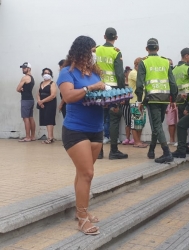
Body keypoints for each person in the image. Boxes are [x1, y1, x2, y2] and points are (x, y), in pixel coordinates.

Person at [57, 35, 105, 235]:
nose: (94, 55)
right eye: (92, 51)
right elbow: (68, 96)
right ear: (82, 51)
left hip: (97, 128)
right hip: (76, 129)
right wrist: (90, 88)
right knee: (87, 173)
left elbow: (99, 96)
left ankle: (80, 211)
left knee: (83, 173)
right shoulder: (67, 73)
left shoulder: (95, 73)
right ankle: (83, 219)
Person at [136, 38, 177, 163]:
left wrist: (139, 101)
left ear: (147, 49)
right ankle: (152, 150)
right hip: (164, 98)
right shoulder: (166, 62)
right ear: (158, 48)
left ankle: (166, 152)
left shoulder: (144, 63)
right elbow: (173, 83)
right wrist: (173, 99)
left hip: (152, 99)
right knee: (157, 125)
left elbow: (139, 85)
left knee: (157, 125)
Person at [96, 27, 128, 160]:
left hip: (98, 88)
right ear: (116, 38)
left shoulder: (96, 50)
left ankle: (98, 151)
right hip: (113, 89)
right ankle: (113, 151)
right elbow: (120, 74)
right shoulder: (116, 52)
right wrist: (121, 92)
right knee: (114, 118)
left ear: (104, 37)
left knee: (99, 119)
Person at [128, 57, 148, 148]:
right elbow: (142, 81)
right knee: (135, 122)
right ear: (136, 65)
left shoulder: (137, 73)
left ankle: (138, 141)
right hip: (135, 101)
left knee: (141, 123)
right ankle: (136, 142)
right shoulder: (133, 73)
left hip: (141, 101)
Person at [37, 68, 57, 144]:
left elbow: (53, 95)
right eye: (45, 73)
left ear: (51, 75)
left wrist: (42, 101)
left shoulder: (52, 83)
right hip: (42, 104)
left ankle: (50, 138)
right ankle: (50, 136)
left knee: (49, 119)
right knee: (45, 119)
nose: (46, 74)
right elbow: (38, 94)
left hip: (50, 103)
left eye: (48, 73)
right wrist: (39, 101)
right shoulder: (41, 83)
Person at [17, 62, 36, 142]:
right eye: (22, 68)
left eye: (25, 68)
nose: (23, 69)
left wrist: (20, 89)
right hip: (31, 100)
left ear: (29, 68)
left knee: (26, 118)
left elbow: (18, 88)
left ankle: (27, 137)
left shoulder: (25, 78)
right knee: (30, 118)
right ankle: (32, 136)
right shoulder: (32, 78)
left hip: (25, 100)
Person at [122, 66, 134, 145]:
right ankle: (127, 138)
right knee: (127, 122)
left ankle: (134, 138)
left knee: (133, 121)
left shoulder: (132, 83)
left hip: (132, 103)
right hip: (125, 105)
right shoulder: (122, 83)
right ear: (125, 74)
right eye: (128, 73)